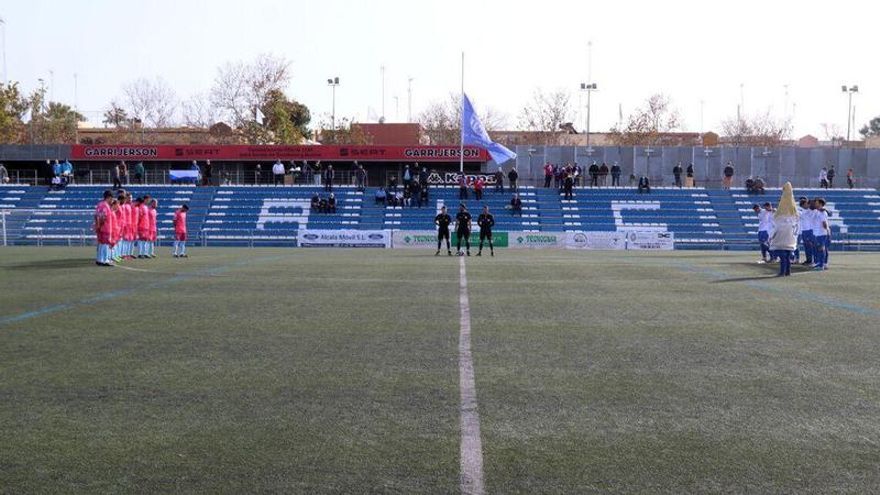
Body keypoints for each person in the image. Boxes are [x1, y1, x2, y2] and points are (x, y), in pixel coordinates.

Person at [769, 183, 799, 277]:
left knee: (783, 255)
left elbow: (775, 222)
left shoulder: (780, 213)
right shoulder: (794, 211)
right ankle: (787, 271)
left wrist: (771, 236)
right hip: (790, 234)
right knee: (787, 254)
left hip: (782, 234)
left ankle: (783, 271)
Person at [94, 190, 114, 266]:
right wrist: (101, 224)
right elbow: (103, 216)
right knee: (105, 244)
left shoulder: (99, 204)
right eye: (111, 198)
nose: (112, 200)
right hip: (106, 227)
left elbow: (96, 215)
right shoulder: (105, 205)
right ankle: (105, 260)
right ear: (109, 197)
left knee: (101, 243)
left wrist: (97, 225)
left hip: (100, 227)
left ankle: (99, 259)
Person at [812, 198, 830, 270]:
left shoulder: (822, 212)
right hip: (818, 233)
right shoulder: (818, 211)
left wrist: (827, 231)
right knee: (819, 249)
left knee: (821, 249)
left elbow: (824, 223)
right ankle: (820, 263)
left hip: (821, 233)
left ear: (820, 204)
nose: (815, 204)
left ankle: (821, 265)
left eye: (816, 203)